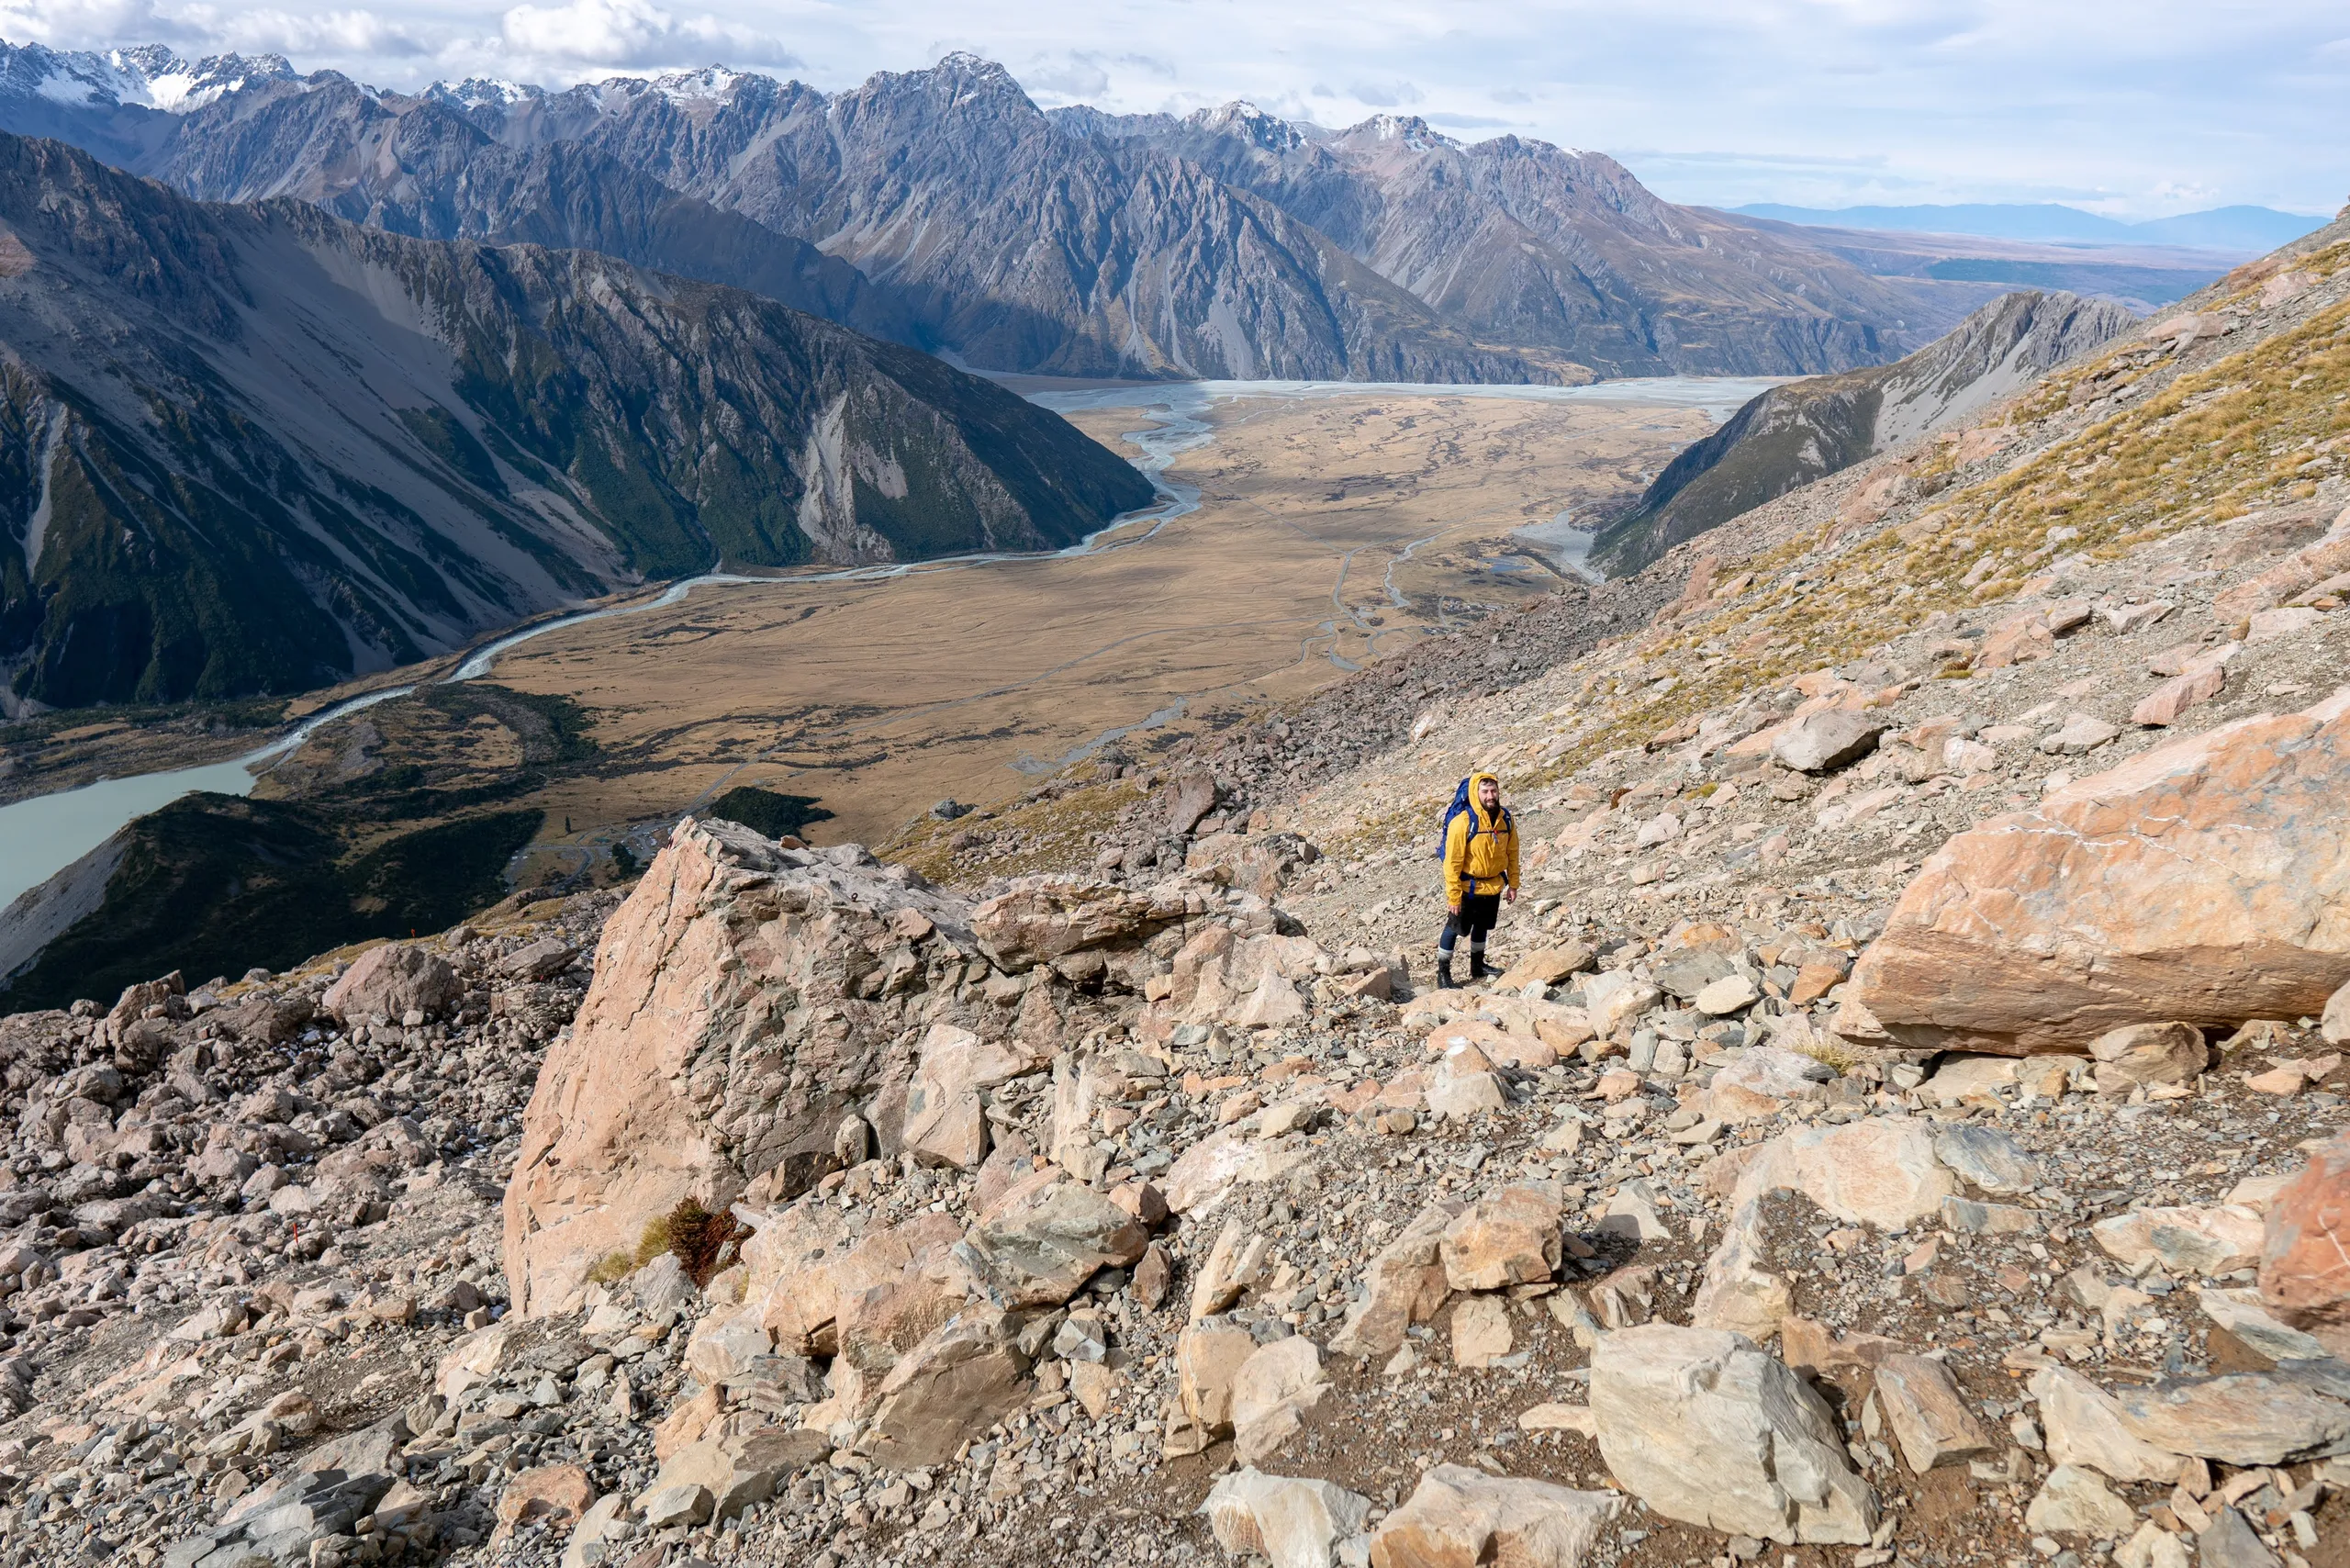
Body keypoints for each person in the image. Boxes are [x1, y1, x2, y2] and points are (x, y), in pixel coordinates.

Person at [1438, 770, 1518, 989]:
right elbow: (1452, 864)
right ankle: (1443, 973)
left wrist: (1513, 884)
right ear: (1476, 793)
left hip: (1493, 884)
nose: (1490, 796)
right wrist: (1453, 896)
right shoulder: (1462, 822)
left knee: (1482, 926)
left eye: (1493, 790)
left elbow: (1513, 852)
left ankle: (1477, 966)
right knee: (1454, 928)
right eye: (1485, 791)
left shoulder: (1506, 819)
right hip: (1466, 887)